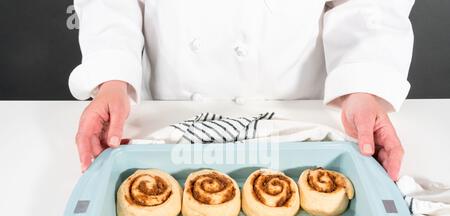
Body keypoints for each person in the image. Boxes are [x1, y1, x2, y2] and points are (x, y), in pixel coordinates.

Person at [70, 0, 414, 180]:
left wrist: (362, 87)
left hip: (297, 124)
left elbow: (369, 4)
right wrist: (112, 77)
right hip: (167, 123)